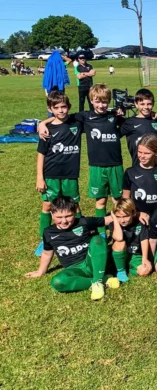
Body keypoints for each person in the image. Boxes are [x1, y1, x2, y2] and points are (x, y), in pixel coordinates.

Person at [38, 84, 124, 226]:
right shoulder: (84, 117)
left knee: (116, 200)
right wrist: (42, 123)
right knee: (50, 204)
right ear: (91, 100)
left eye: (104, 101)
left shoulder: (113, 116)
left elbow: (128, 123)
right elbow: (61, 118)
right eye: (97, 101)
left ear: (109, 101)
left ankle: (117, 228)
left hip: (113, 165)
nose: (101, 105)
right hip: (91, 167)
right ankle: (46, 236)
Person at [24, 196, 110, 301]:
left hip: (92, 261)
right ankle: (102, 280)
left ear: (75, 213)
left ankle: (97, 282)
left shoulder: (83, 222)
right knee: (57, 282)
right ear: (52, 214)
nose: (64, 221)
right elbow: (47, 253)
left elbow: (108, 219)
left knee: (98, 240)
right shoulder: (48, 232)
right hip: (75, 269)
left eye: (68, 216)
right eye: (59, 217)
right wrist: (41, 271)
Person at [35, 91, 83, 256]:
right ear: (50, 108)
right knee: (48, 205)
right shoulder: (46, 130)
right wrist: (40, 178)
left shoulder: (76, 122)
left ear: (69, 107)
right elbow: (41, 154)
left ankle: (80, 234)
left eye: (64, 107)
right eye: (57, 108)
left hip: (70, 175)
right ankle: (45, 240)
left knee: (74, 205)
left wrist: (42, 121)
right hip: (51, 175)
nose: (61, 110)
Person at [122, 134, 157, 224]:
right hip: (138, 218)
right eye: (139, 152)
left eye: (147, 153)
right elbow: (125, 200)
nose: (142, 156)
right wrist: (137, 214)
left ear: (156, 153)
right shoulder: (130, 172)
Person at [108, 198, 152, 283]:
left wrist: (145, 258)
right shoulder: (114, 225)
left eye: (126, 216)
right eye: (118, 217)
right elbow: (119, 237)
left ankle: (128, 268)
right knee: (120, 243)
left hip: (135, 255)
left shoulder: (140, 223)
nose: (122, 220)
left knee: (145, 270)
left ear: (133, 213)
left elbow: (144, 240)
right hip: (120, 254)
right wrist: (114, 219)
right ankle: (121, 271)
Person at [119, 89, 157, 165]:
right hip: (137, 167)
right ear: (136, 104)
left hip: (156, 166)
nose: (146, 107)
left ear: (153, 104)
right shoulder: (129, 122)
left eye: (149, 104)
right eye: (142, 104)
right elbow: (114, 136)